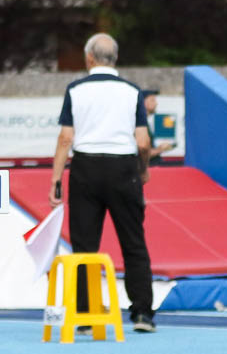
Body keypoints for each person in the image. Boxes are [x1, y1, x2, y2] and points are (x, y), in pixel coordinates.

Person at [48, 33, 156, 333]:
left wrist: (56, 179)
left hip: (86, 167)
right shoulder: (132, 91)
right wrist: (143, 170)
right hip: (123, 167)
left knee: (84, 245)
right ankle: (143, 313)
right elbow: (143, 141)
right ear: (116, 58)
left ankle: (85, 315)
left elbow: (65, 138)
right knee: (133, 241)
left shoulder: (76, 90)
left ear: (89, 58)